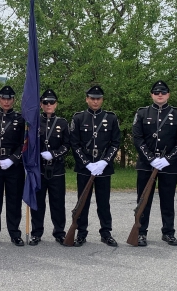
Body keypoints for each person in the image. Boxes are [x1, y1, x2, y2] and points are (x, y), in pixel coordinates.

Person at [132, 80, 177, 246]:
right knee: (143, 200)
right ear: (152, 95)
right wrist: (150, 158)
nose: (160, 95)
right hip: (145, 164)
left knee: (168, 200)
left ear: (168, 95)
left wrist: (167, 159)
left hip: (168, 165)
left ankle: (168, 232)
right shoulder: (142, 113)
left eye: (163, 92)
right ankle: (141, 232)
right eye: (156, 92)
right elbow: (138, 138)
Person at [69, 85, 121, 247]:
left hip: (103, 168)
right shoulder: (78, 118)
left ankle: (106, 233)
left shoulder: (111, 118)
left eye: (98, 98)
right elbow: (74, 144)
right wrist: (87, 163)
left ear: (102, 100)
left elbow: (115, 143)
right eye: (92, 98)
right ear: (87, 99)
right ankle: (81, 233)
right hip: (85, 169)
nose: (95, 101)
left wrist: (104, 162)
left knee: (103, 203)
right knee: (82, 201)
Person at [0, 86, 26, 247]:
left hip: (14, 166)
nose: (6, 101)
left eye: (9, 98)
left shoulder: (21, 118)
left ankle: (15, 233)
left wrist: (13, 159)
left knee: (14, 201)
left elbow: (25, 143)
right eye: (3, 98)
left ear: (13, 100)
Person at [29, 89, 70, 246]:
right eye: (45, 102)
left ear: (56, 104)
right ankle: (36, 232)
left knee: (58, 202)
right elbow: (30, 144)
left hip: (56, 168)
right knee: (38, 203)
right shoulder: (34, 122)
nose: (48, 105)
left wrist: (54, 154)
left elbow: (67, 145)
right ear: (41, 104)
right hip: (39, 168)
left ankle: (59, 232)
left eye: (51, 102)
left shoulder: (62, 123)